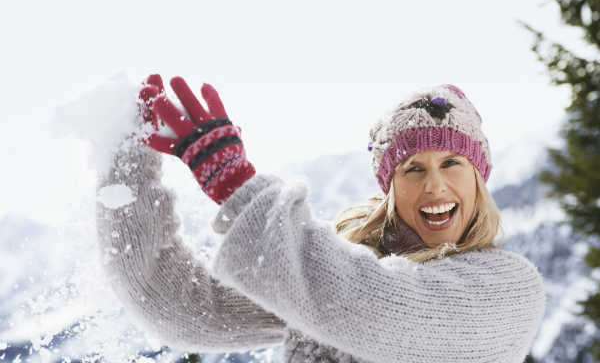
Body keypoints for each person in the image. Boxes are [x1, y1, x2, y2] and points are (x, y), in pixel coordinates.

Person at [96, 75, 546, 363]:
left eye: (452, 164)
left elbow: (382, 311)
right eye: (413, 169)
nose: (434, 187)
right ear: (389, 189)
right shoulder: (326, 272)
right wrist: (128, 162)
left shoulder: (509, 289)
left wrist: (239, 188)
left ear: (478, 181)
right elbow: (179, 309)